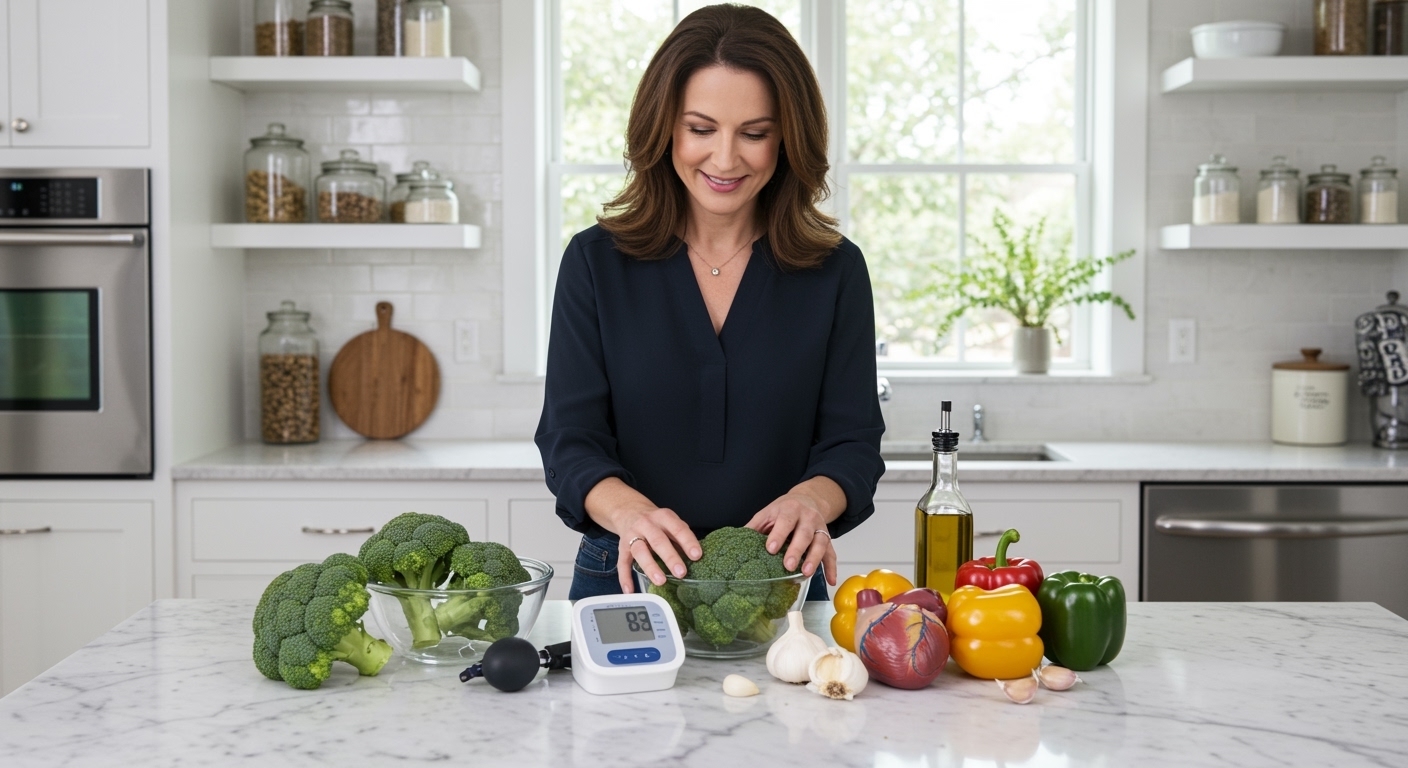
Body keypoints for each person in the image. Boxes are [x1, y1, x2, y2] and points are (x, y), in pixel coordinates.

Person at [535, 3, 885, 603]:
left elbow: (853, 444)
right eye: (701, 129)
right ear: (663, 127)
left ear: (788, 139)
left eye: (754, 133)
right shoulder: (596, 262)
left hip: (779, 583)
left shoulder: (835, 270)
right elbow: (571, 439)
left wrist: (811, 501)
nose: (725, 159)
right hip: (625, 575)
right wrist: (631, 515)